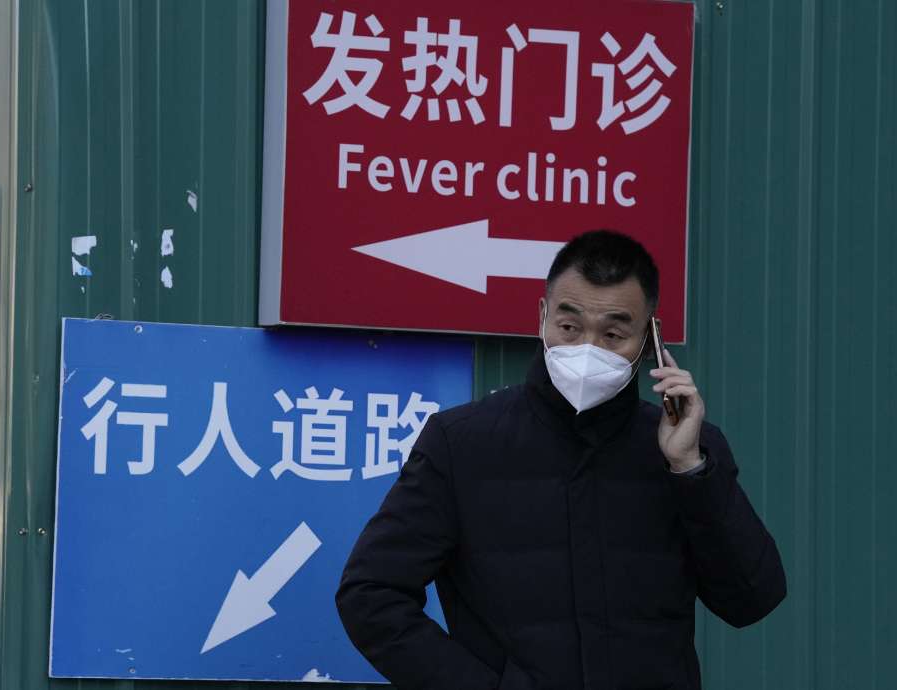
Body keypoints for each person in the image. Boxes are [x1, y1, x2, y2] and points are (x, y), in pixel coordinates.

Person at [336, 230, 786, 690]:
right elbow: (370, 594)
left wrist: (691, 470)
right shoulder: (462, 444)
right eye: (569, 327)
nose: (587, 349)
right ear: (543, 316)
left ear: (650, 339)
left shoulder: (688, 449)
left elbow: (753, 600)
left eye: (613, 334)